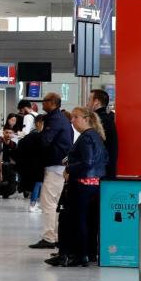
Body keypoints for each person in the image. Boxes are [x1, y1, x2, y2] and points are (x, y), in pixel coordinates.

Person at [48, 108, 109, 268]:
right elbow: (103, 160)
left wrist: (69, 169)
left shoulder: (86, 137)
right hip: (93, 184)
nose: (72, 120)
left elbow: (87, 161)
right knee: (84, 220)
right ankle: (83, 253)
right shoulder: (96, 137)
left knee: (74, 220)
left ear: (86, 119)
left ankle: (75, 255)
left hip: (81, 184)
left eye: (76, 117)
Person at [29, 92, 74, 251]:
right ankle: (54, 235)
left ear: (53, 103)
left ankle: (49, 237)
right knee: (52, 202)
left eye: (45, 101)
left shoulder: (54, 120)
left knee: (48, 203)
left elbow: (44, 141)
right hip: (58, 166)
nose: (42, 103)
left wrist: (39, 132)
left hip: (55, 166)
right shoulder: (60, 119)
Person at [17, 115, 47, 208]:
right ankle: (33, 204)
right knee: (37, 184)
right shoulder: (36, 136)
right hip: (36, 164)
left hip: (34, 164)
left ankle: (34, 203)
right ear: (38, 123)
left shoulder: (31, 135)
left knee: (38, 184)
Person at [90, 89, 118, 178]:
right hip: (106, 170)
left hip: (101, 172)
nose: (87, 103)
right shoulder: (107, 118)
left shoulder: (98, 121)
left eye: (89, 100)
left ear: (96, 102)